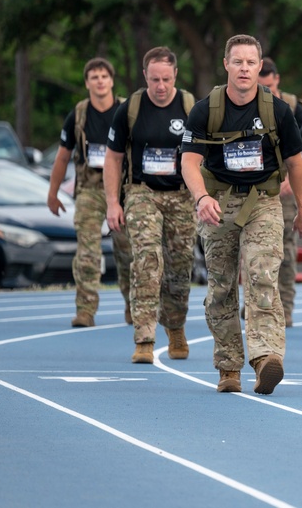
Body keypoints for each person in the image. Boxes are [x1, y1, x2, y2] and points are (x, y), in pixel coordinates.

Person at [181, 34, 302, 395]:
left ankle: (265, 357)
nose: (244, 68)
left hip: (262, 201)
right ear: (226, 64)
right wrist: (201, 198)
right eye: (237, 61)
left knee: (261, 276)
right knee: (221, 287)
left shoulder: (277, 110)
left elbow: (296, 163)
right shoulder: (205, 109)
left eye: (251, 62)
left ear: (261, 67)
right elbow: (189, 162)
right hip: (218, 203)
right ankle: (228, 367)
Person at [104, 47, 196, 365]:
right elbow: (113, 159)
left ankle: (176, 327)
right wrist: (113, 202)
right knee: (147, 260)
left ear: (175, 76)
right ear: (145, 76)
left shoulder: (189, 107)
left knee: (180, 268)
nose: (160, 86)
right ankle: (144, 338)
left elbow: (203, 156)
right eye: (154, 79)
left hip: (181, 196)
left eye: (166, 79)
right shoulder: (129, 109)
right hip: (142, 193)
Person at [48, 57, 134, 328]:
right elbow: (62, 157)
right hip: (88, 189)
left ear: (111, 81)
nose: (99, 81)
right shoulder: (79, 114)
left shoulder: (126, 111)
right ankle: (85, 310)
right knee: (87, 250)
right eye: (94, 76)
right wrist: (53, 193)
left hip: (122, 190)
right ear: (87, 83)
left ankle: (134, 306)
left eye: (104, 76)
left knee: (127, 251)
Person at [257, 57, 302, 327]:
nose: (265, 89)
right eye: (260, 85)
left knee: (286, 251)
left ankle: (286, 308)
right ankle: (257, 302)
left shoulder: (293, 109)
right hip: (257, 187)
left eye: (268, 84)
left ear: (276, 80)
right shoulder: (249, 105)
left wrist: (294, 178)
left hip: (286, 188)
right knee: (254, 250)